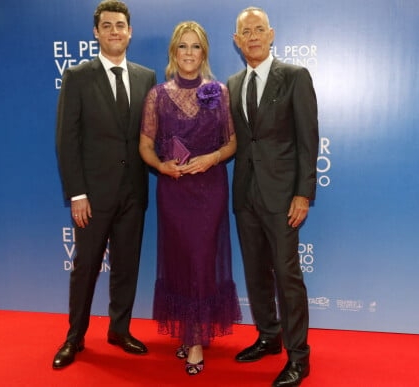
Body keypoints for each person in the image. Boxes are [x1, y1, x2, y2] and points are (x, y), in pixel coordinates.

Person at [53, 0, 156, 369]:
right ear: (96, 33)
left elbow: (151, 135)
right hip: (92, 196)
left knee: (127, 266)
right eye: (107, 25)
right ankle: (75, 337)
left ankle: (120, 329)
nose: (115, 31)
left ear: (130, 32)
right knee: (86, 267)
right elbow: (68, 139)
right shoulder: (78, 77)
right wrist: (77, 193)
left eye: (121, 25)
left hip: (134, 192)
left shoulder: (147, 77)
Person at [139, 21, 241, 376]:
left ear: (204, 53)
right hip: (174, 190)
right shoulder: (157, 95)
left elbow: (232, 142)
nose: (189, 53)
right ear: (173, 52)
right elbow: (145, 147)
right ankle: (187, 330)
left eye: (195, 47)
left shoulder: (219, 92)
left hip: (210, 189)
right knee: (180, 260)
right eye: (182, 46)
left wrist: (211, 158)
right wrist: (162, 167)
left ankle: (196, 341)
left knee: (201, 260)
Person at [227, 6, 319, 387]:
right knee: (255, 273)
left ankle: (299, 357)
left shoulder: (295, 77)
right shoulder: (232, 84)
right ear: (237, 41)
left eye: (258, 29)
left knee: (287, 275)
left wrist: (303, 193)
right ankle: (268, 336)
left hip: (283, 197)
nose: (252, 36)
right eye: (245, 32)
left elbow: (307, 141)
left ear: (271, 34)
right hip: (245, 194)